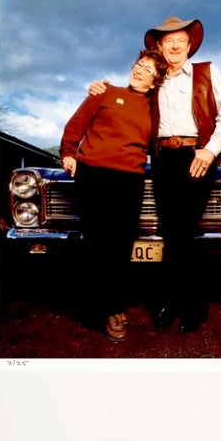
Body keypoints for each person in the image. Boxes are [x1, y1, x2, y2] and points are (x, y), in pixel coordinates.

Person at [89, 14, 221, 333]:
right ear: (160, 45)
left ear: (189, 46)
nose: (174, 45)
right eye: (168, 40)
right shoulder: (154, 80)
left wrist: (209, 151)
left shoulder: (207, 73)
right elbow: (127, 99)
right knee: (169, 233)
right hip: (162, 160)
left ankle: (193, 309)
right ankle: (168, 303)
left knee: (184, 232)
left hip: (196, 155)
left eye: (180, 41)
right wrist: (99, 88)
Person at [58, 50, 160, 342]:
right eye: (138, 65)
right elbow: (75, 125)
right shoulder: (104, 93)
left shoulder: (155, 109)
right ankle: (110, 309)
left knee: (119, 246)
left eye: (147, 69)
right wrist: (68, 152)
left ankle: (110, 304)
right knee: (96, 244)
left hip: (130, 180)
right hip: (93, 175)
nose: (139, 70)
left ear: (155, 82)